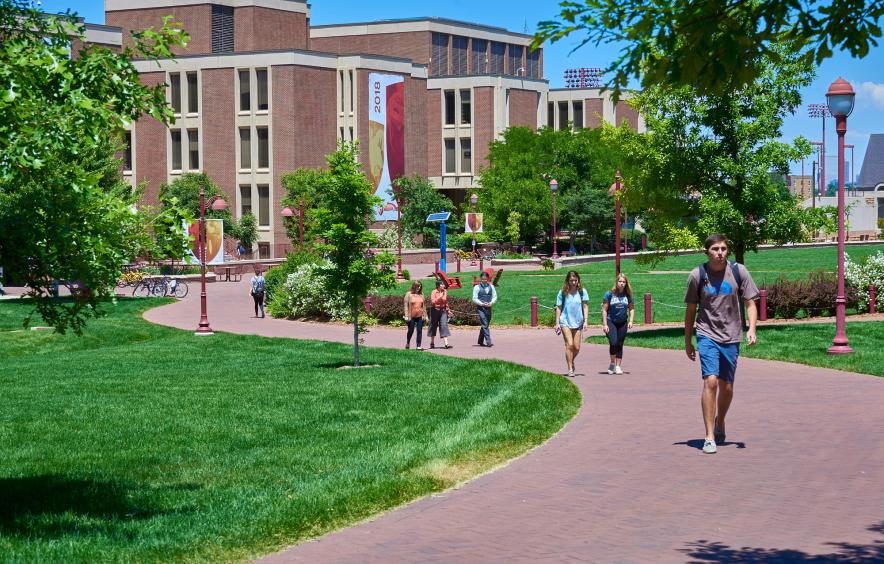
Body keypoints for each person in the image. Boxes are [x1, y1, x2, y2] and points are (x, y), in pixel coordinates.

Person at [684, 234, 759, 454]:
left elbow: (750, 303)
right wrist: (688, 341)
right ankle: (709, 436)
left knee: (727, 386)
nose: (720, 252)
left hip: (732, 335)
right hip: (706, 334)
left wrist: (752, 329)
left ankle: (720, 421)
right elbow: (690, 311)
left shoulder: (739, 271)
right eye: (715, 249)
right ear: (706, 251)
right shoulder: (697, 275)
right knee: (711, 381)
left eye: (724, 249)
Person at [555, 270, 589, 377]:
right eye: (571, 280)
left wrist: (586, 321)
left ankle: (571, 360)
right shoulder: (563, 292)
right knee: (569, 344)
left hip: (578, 322)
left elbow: (585, 306)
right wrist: (557, 323)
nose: (573, 282)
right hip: (565, 321)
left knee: (577, 347)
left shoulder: (582, 292)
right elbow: (558, 307)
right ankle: (570, 368)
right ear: (568, 281)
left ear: (578, 280)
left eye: (575, 280)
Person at [602, 273, 635, 374]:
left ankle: (618, 366)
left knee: (620, 343)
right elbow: (604, 310)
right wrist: (605, 324)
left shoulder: (628, 295)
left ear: (626, 283)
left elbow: (632, 309)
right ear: (616, 282)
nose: (622, 283)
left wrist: (631, 321)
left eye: (624, 282)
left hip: (623, 322)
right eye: (620, 281)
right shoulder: (609, 294)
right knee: (613, 342)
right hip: (610, 321)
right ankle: (612, 363)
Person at [472, 271, 497, 347]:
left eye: (485, 279)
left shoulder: (491, 287)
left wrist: (491, 303)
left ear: (488, 279)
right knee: (485, 324)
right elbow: (474, 298)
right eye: (482, 279)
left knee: (485, 324)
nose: (484, 280)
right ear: (480, 279)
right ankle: (488, 342)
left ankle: (480, 340)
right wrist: (482, 304)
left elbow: (495, 296)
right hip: (481, 308)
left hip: (489, 307)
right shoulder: (476, 287)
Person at [428, 279, 453, 349]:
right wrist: (440, 297)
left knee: (444, 325)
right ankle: (432, 342)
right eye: (442, 284)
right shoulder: (433, 292)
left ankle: (446, 343)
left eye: (444, 284)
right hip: (434, 310)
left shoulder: (445, 291)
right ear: (438, 285)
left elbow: (445, 302)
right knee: (433, 326)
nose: (444, 286)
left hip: (443, 310)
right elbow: (433, 302)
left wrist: (448, 310)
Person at [403, 281, 426, 350]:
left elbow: (424, 306)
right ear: (413, 286)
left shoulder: (421, 294)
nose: (418, 288)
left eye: (419, 286)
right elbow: (405, 305)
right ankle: (408, 342)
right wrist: (406, 315)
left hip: (419, 316)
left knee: (419, 331)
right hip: (411, 316)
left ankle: (418, 346)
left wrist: (425, 315)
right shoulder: (409, 294)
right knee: (411, 330)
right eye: (417, 286)